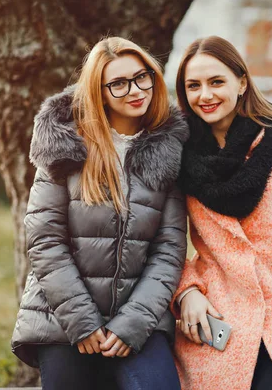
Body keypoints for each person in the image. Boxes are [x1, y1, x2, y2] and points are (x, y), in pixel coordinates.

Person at [11, 36, 189, 390]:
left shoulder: (168, 148)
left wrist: (132, 323)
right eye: (118, 83)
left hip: (140, 317)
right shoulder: (65, 143)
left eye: (142, 77)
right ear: (99, 90)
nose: (135, 90)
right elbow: (45, 241)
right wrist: (83, 323)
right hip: (63, 316)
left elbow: (169, 249)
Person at [170, 36, 272, 390]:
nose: (205, 95)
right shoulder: (176, 153)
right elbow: (161, 240)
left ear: (242, 82)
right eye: (193, 86)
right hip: (214, 317)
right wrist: (187, 292)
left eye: (217, 81)